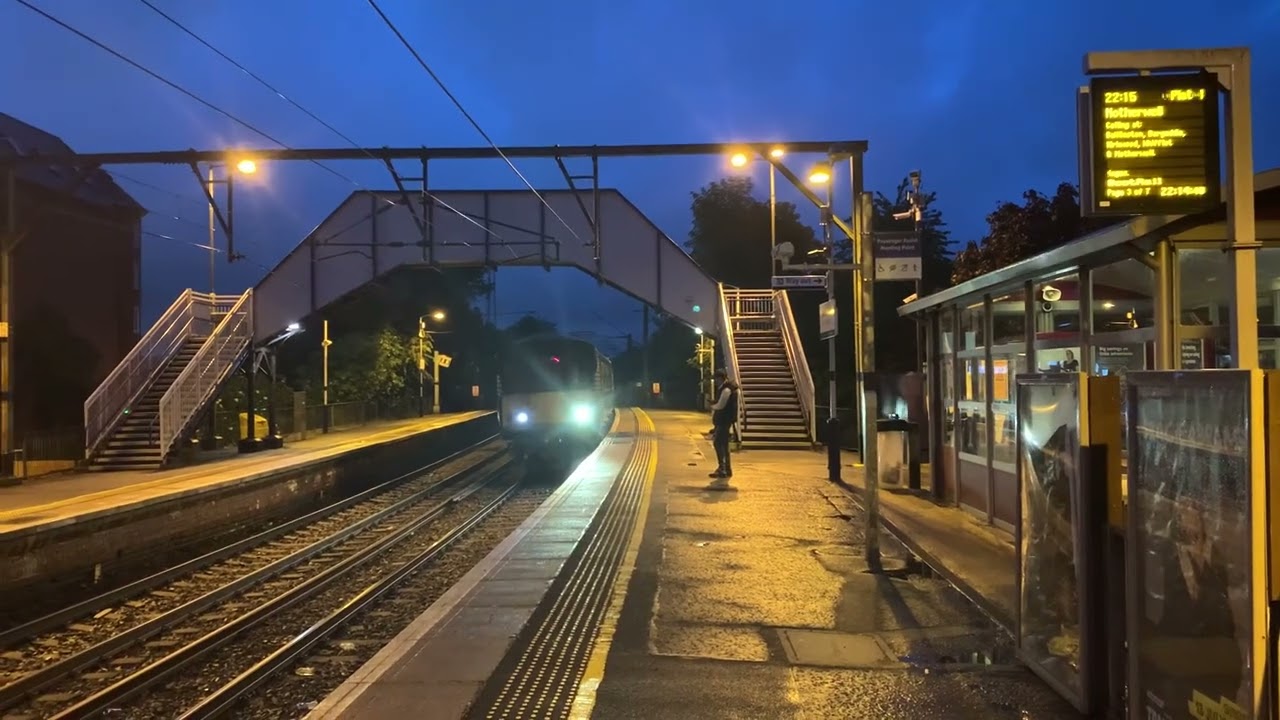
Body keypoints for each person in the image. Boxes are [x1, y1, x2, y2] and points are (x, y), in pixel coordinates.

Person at [708, 369, 738, 479]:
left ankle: (722, 468)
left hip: (724, 421)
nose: (715, 381)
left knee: (718, 443)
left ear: (721, 378)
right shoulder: (725, 388)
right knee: (724, 445)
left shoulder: (726, 390)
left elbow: (721, 405)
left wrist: (712, 406)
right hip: (724, 421)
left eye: (716, 379)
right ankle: (726, 468)